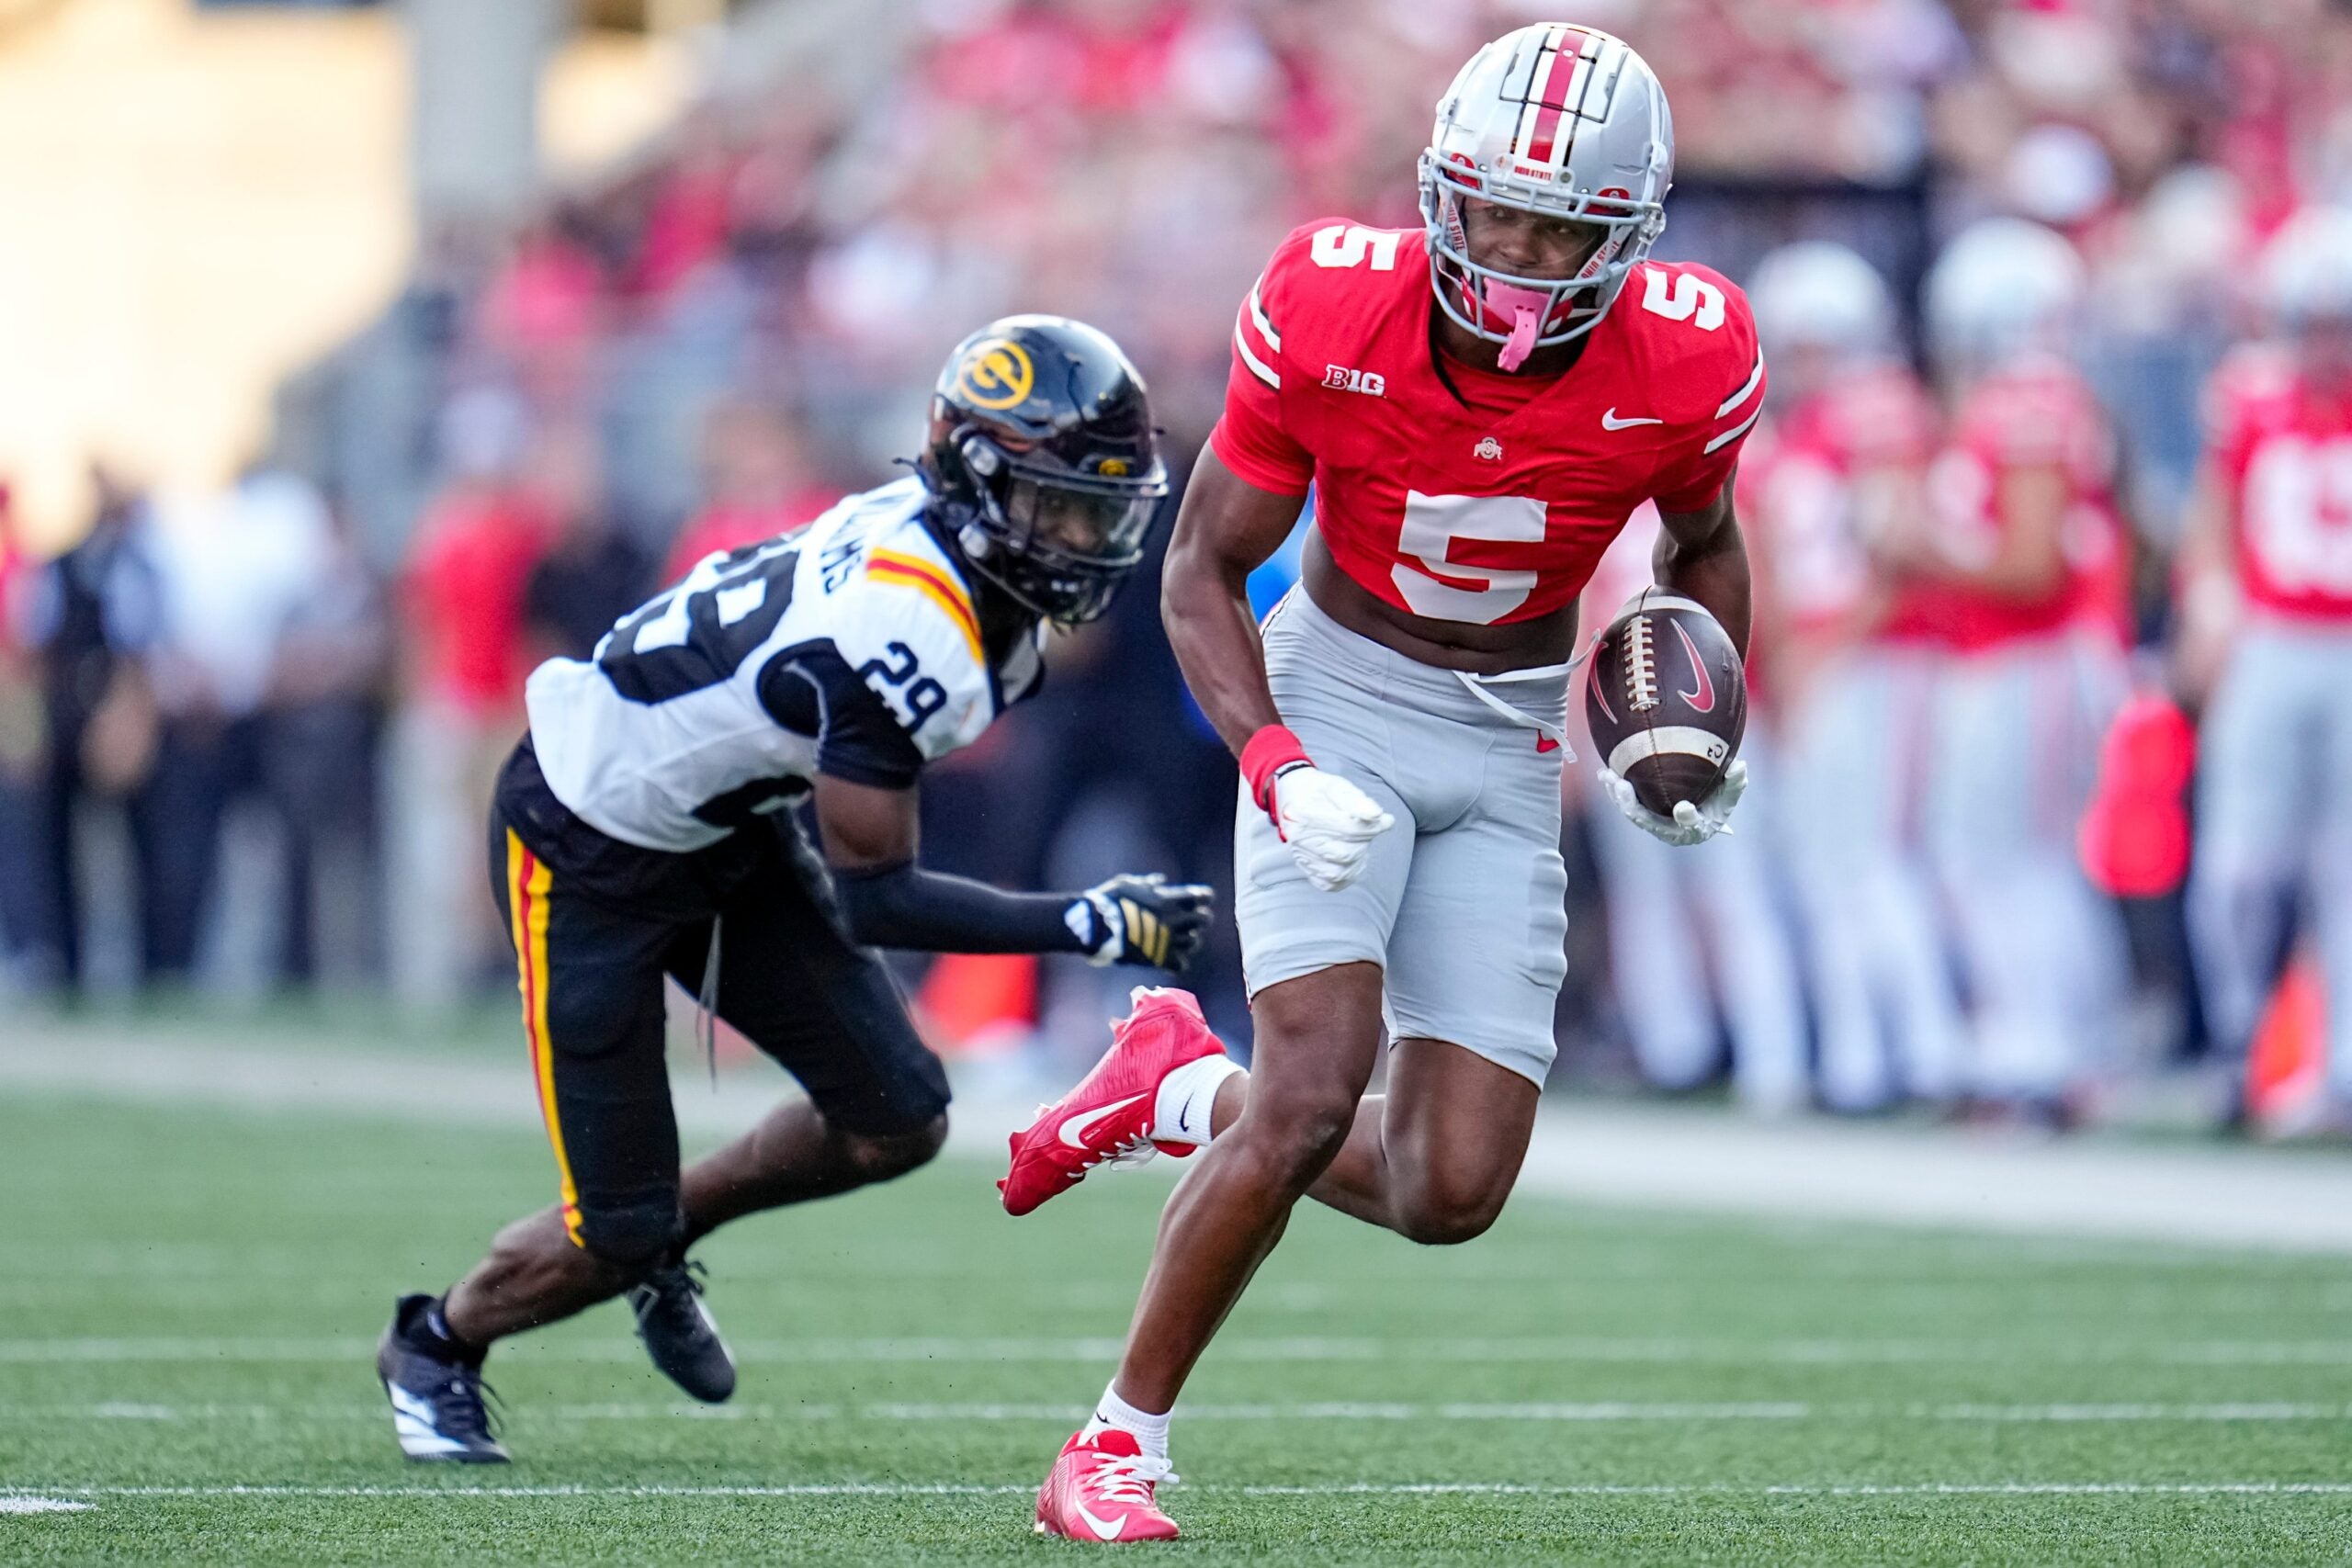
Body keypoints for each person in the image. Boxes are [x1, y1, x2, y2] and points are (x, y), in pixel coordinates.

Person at [998, 27, 1766, 1541]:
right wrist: (1277, 760)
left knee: (1450, 1185)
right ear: (1441, 195)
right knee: (1309, 1088)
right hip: (1339, 688)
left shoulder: (1691, 350)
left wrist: (1698, 702)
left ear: (1630, 234)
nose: (1523, 259)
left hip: (1510, 726)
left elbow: (1706, 541)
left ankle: (1171, 1083)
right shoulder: (1333, 300)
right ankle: (1113, 1444)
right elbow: (1200, 570)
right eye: (1495, 216)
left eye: (1563, 230)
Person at [374, 316, 1215, 1463]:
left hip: (728, 822)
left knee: (897, 1118)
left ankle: (669, 1232)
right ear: (975, 480)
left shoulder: (950, 563)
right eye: (1057, 504)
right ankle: (437, 1342)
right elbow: (875, 896)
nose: (1083, 537)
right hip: (586, 840)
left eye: (1097, 506)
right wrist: (1084, 921)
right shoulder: (908, 616)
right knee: (607, 1232)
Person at [1882, 217, 2128, 1122]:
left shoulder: (2027, 400)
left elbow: (2030, 567)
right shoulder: (2040, 398)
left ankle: (2041, 1056)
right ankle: (2052, 1050)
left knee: (2009, 862)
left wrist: (1919, 548)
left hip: (2030, 658)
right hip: (2017, 661)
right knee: (2008, 859)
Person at [1741, 240, 1963, 1113]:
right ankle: (1859, 1057)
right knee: (1828, 867)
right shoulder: (1790, 432)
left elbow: (1895, 552)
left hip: (1874, 660)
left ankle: (1929, 1048)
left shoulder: (1876, 411)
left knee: (1872, 859)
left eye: (1814, 344)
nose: (1802, 365)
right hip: (1825, 663)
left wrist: (1820, 654)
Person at [2179, 206, 2352, 1130]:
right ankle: (2237, 1037)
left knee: (2345, 865)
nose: (2325, 344)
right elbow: (2213, 517)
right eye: (2311, 322)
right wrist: (2209, 609)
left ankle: (2339, 1073)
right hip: (2273, 637)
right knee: (2241, 864)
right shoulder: (2250, 393)